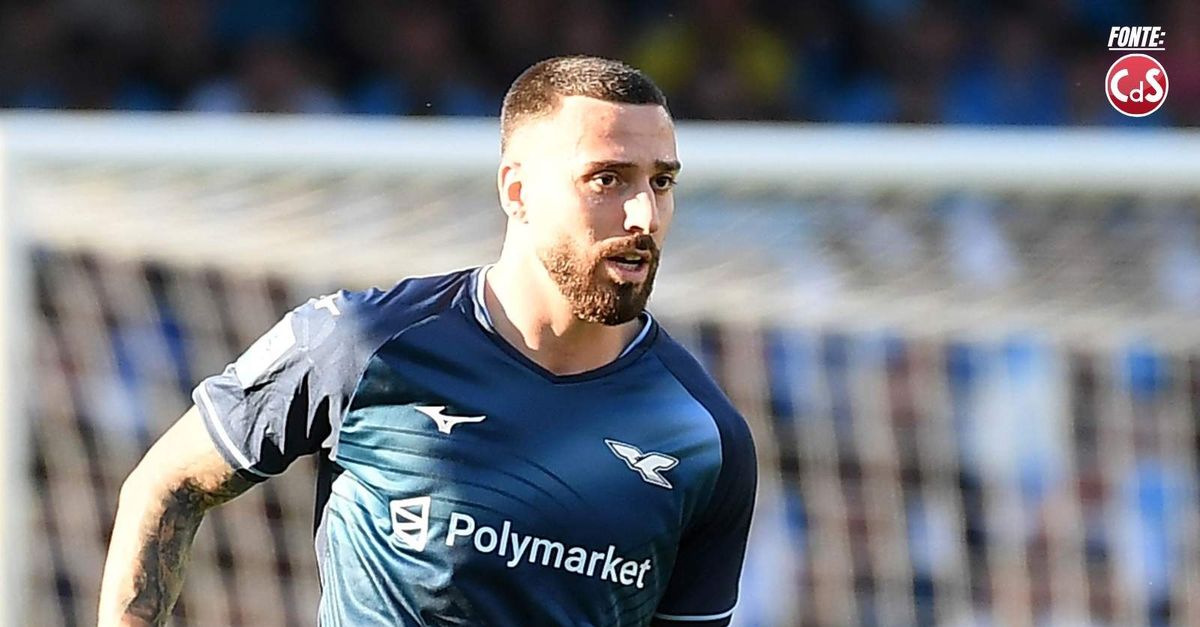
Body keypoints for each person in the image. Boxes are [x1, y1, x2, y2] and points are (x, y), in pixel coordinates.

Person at [98, 55, 757, 627]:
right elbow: (167, 484)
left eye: (661, 182)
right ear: (517, 191)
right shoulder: (364, 342)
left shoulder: (705, 437)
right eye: (607, 179)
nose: (644, 215)